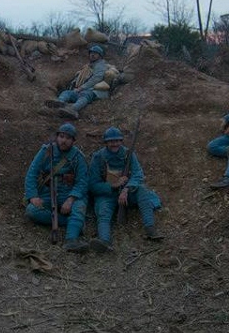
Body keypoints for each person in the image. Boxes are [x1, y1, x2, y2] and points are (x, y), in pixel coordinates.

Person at [88, 126, 164, 252]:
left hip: (127, 193)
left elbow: (138, 174)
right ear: (106, 142)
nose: (115, 144)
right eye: (111, 141)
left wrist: (126, 189)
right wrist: (113, 185)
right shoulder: (98, 157)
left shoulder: (128, 154)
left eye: (117, 140)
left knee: (142, 191)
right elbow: (92, 184)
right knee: (103, 213)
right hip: (107, 194)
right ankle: (104, 241)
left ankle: (150, 229)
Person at [23, 123, 89, 252]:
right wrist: (33, 196)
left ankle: (71, 239)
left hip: (69, 193)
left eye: (68, 138)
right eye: (61, 136)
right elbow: (32, 173)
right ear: (57, 137)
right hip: (48, 192)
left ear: (73, 141)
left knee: (79, 207)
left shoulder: (78, 157)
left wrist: (70, 199)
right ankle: (71, 222)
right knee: (32, 211)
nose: (63, 140)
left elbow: (83, 182)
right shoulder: (46, 151)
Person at [48, 45, 108, 120]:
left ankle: (73, 109)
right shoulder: (89, 66)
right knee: (67, 92)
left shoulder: (100, 65)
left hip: (92, 90)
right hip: (80, 89)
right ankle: (59, 103)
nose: (92, 55)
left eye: (95, 53)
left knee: (85, 95)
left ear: (100, 56)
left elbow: (96, 78)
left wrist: (81, 88)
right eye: (91, 53)